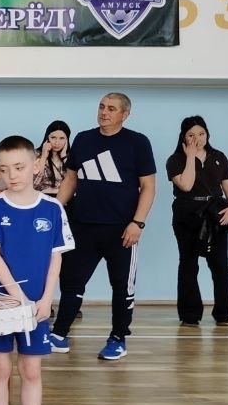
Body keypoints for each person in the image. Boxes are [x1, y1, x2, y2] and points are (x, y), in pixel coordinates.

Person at [0, 136, 74, 405]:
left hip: (37, 307)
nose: (12, 175)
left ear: (36, 165)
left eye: (19, 167)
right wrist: (16, 297)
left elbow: (55, 258)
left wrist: (46, 298)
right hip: (2, 304)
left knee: (32, 370)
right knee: (0, 369)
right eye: (4, 169)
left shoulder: (53, 209)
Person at [49, 93, 156, 361]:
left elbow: (148, 187)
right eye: (101, 106)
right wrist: (55, 210)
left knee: (122, 287)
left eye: (111, 108)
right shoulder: (84, 139)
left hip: (121, 230)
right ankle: (59, 334)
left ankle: (118, 338)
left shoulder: (137, 142)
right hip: (83, 226)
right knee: (71, 282)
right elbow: (70, 179)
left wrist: (137, 223)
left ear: (124, 114)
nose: (104, 112)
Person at [166, 116, 228, 327]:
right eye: (191, 135)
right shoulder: (175, 160)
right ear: (183, 137)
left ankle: (223, 313)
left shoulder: (219, 156)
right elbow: (186, 185)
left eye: (201, 134)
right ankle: (190, 315)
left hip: (215, 213)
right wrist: (190, 157)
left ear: (207, 134)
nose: (197, 138)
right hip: (186, 213)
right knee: (188, 264)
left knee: (220, 265)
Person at [35, 119, 71, 195]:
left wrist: (64, 157)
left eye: (62, 138)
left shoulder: (71, 157)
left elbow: (72, 182)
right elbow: (34, 184)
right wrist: (44, 157)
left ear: (67, 140)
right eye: (53, 137)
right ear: (47, 138)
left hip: (65, 197)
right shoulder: (36, 154)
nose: (57, 142)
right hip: (43, 196)